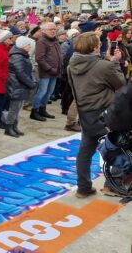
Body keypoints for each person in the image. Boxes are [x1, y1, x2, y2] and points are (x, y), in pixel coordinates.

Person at [68, 32, 126, 198]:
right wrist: (114, 63)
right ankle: (112, 184)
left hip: (86, 114)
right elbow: (121, 87)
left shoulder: (71, 65)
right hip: (105, 114)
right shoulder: (104, 66)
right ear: (94, 47)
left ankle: (83, 187)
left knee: (85, 151)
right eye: (99, 44)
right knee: (120, 148)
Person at [5, 36, 36, 137]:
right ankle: (8, 128)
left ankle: (14, 126)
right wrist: (31, 84)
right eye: (28, 45)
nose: (30, 47)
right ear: (23, 46)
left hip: (21, 86)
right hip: (16, 86)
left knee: (18, 108)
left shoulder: (23, 54)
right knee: (14, 108)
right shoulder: (17, 56)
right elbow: (20, 73)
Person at [32, 22, 62, 121]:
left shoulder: (55, 40)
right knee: (42, 91)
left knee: (49, 92)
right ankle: (34, 111)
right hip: (46, 72)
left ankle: (42, 109)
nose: (53, 31)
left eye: (54, 29)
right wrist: (50, 69)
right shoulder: (42, 41)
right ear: (44, 31)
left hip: (55, 71)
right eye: (51, 29)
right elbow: (39, 58)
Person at [0, 30, 14, 129]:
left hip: (8, 80)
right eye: (9, 38)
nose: (11, 40)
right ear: (4, 40)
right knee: (0, 102)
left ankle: (3, 119)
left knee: (6, 102)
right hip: (2, 81)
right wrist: (6, 77)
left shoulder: (7, 49)